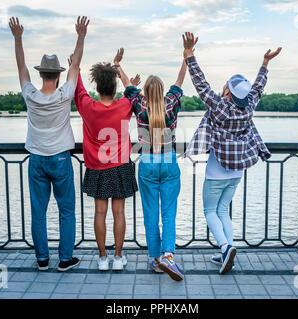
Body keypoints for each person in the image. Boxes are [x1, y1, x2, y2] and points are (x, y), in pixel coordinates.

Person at [182, 32, 282, 275]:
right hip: (237, 172)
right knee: (223, 210)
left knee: (209, 211)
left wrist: (189, 54)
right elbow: (258, 87)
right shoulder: (249, 106)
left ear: (227, 91)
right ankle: (228, 252)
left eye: (227, 84)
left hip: (217, 171)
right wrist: (265, 64)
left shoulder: (220, 106)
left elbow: (200, 84)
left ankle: (226, 248)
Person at [9, 16, 89, 272]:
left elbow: (20, 67)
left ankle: (42, 259)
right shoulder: (65, 94)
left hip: (36, 159)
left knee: (38, 211)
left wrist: (18, 38)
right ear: (57, 75)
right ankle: (65, 259)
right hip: (61, 159)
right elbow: (75, 65)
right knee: (67, 211)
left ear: (41, 74)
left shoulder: (30, 95)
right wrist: (80, 36)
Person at [114, 48, 187, 281]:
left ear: (145, 90)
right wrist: (186, 57)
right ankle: (168, 256)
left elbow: (126, 84)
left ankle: (155, 260)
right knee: (168, 213)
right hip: (168, 163)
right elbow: (180, 79)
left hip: (146, 163)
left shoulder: (139, 103)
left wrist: (117, 65)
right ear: (163, 91)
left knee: (150, 213)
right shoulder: (171, 103)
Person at [71, 49, 138, 272]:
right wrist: (119, 68)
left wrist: (75, 67)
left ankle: (102, 258)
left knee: (100, 213)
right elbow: (132, 92)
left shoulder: (88, 106)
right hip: (120, 166)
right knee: (119, 213)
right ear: (115, 86)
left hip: (97, 168)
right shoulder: (125, 104)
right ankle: (118, 258)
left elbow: (77, 89)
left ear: (97, 87)